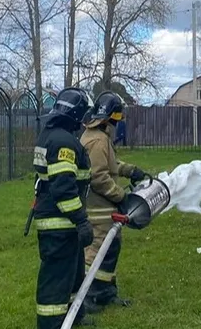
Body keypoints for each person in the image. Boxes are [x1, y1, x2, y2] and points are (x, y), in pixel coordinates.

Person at [30, 87, 96, 328]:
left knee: (72, 274)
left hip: (61, 223)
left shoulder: (50, 135)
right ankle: (51, 323)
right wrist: (81, 220)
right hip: (61, 224)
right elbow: (63, 189)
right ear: (77, 115)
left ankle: (73, 316)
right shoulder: (64, 143)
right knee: (57, 277)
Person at [80, 91, 146, 311]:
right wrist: (121, 195)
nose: (117, 125)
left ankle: (106, 293)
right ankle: (87, 297)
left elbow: (110, 164)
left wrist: (130, 170)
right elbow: (98, 177)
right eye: (115, 120)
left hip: (106, 209)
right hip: (99, 210)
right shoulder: (98, 141)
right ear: (107, 118)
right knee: (95, 252)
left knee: (111, 249)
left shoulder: (98, 138)